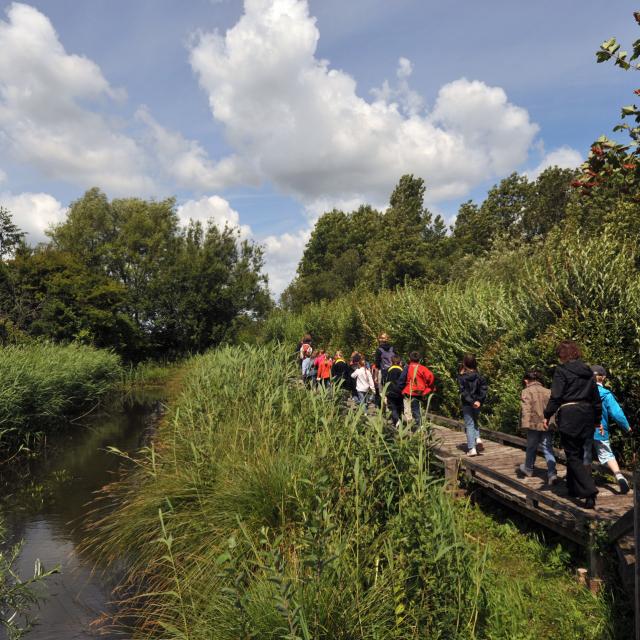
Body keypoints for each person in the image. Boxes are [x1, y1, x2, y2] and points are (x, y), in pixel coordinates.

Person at [543, 340, 601, 509]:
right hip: (588, 414)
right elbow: (596, 398)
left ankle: (590, 491)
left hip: (570, 415)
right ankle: (573, 488)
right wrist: (597, 419)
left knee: (573, 455)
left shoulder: (561, 371)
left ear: (562, 355)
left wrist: (547, 414)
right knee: (582, 451)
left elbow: (556, 396)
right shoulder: (588, 371)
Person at [583, 365, 632, 494]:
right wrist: (626, 426)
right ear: (603, 378)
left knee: (585, 456)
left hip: (584, 429)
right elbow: (616, 413)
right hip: (600, 430)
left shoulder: (582, 392)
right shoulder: (606, 394)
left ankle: (588, 483)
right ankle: (619, 477)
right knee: (607, 454)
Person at [518, 370, 558, 485]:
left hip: (533, 425)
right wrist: (553, 423)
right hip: (547, 424)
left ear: (526, 380)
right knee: (548, 448)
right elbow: (553, 409)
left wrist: (524, 425)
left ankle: (528, 469)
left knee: (531, 447)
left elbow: (526, 409)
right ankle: (552, 473)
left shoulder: (526, 391)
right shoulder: (548, 391)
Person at [458, 354, 487, 456]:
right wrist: (478, 401)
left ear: (464, 364)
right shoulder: (480, 376)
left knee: (469, 424)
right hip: (477, 404)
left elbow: (464, 391)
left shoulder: (463, 377)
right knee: (475, 420)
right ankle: (477, 438)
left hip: (467, 403)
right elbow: (483, 390)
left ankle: (472, 448)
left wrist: (471, 401)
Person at [397, 351, 435, 429]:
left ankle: (411, 424)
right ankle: (419, 425)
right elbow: (431, 377)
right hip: (419, 392)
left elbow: (401, 380)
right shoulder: (423, 368)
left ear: (409, 358)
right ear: (419, 359)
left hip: (409, 391)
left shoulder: (407, 367)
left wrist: (399, 389)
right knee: (416, 408)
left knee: (407, 409)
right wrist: (427, 388)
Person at [384, 355, 405, 428]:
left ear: (391, 362)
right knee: (399, 406)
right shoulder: (402, 370)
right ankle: (399, 420)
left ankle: (396, 420)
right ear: (400, 362)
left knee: (392, 407)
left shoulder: (388, 370)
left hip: (390, 391)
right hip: (400, 391)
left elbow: (384, 381)